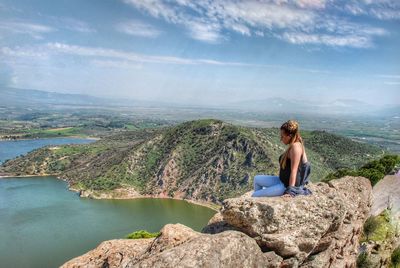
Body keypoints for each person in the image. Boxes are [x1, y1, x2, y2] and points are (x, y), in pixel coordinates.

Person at [252, 120, 310, 197]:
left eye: (282, 136)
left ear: (289, 136)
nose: (281, 139)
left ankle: (259, 198)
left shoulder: (296, 147)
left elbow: (294, 170)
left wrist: (290, 191)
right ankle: (261, 202)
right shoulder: (294, 143)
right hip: (281, 180)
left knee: (255, 195)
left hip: (285, 186)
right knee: (257, 179)